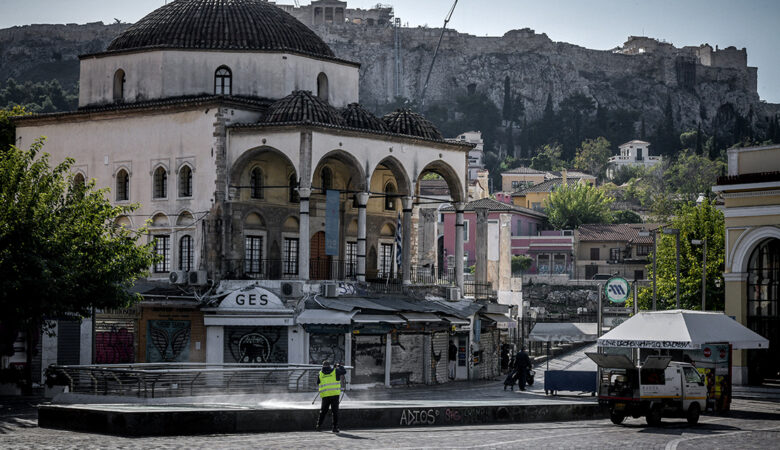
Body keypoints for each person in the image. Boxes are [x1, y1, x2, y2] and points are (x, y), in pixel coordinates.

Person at [316, 360, 346, 433]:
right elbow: (344, 371)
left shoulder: (320, 373)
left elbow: (318, 382)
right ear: (330, 365)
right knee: (335, 412)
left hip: (325, 396)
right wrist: (338, 365)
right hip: (334, 395)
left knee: (323, 411)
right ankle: (335, 428)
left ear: (322, 366)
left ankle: (318, 426)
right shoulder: (335, 371)